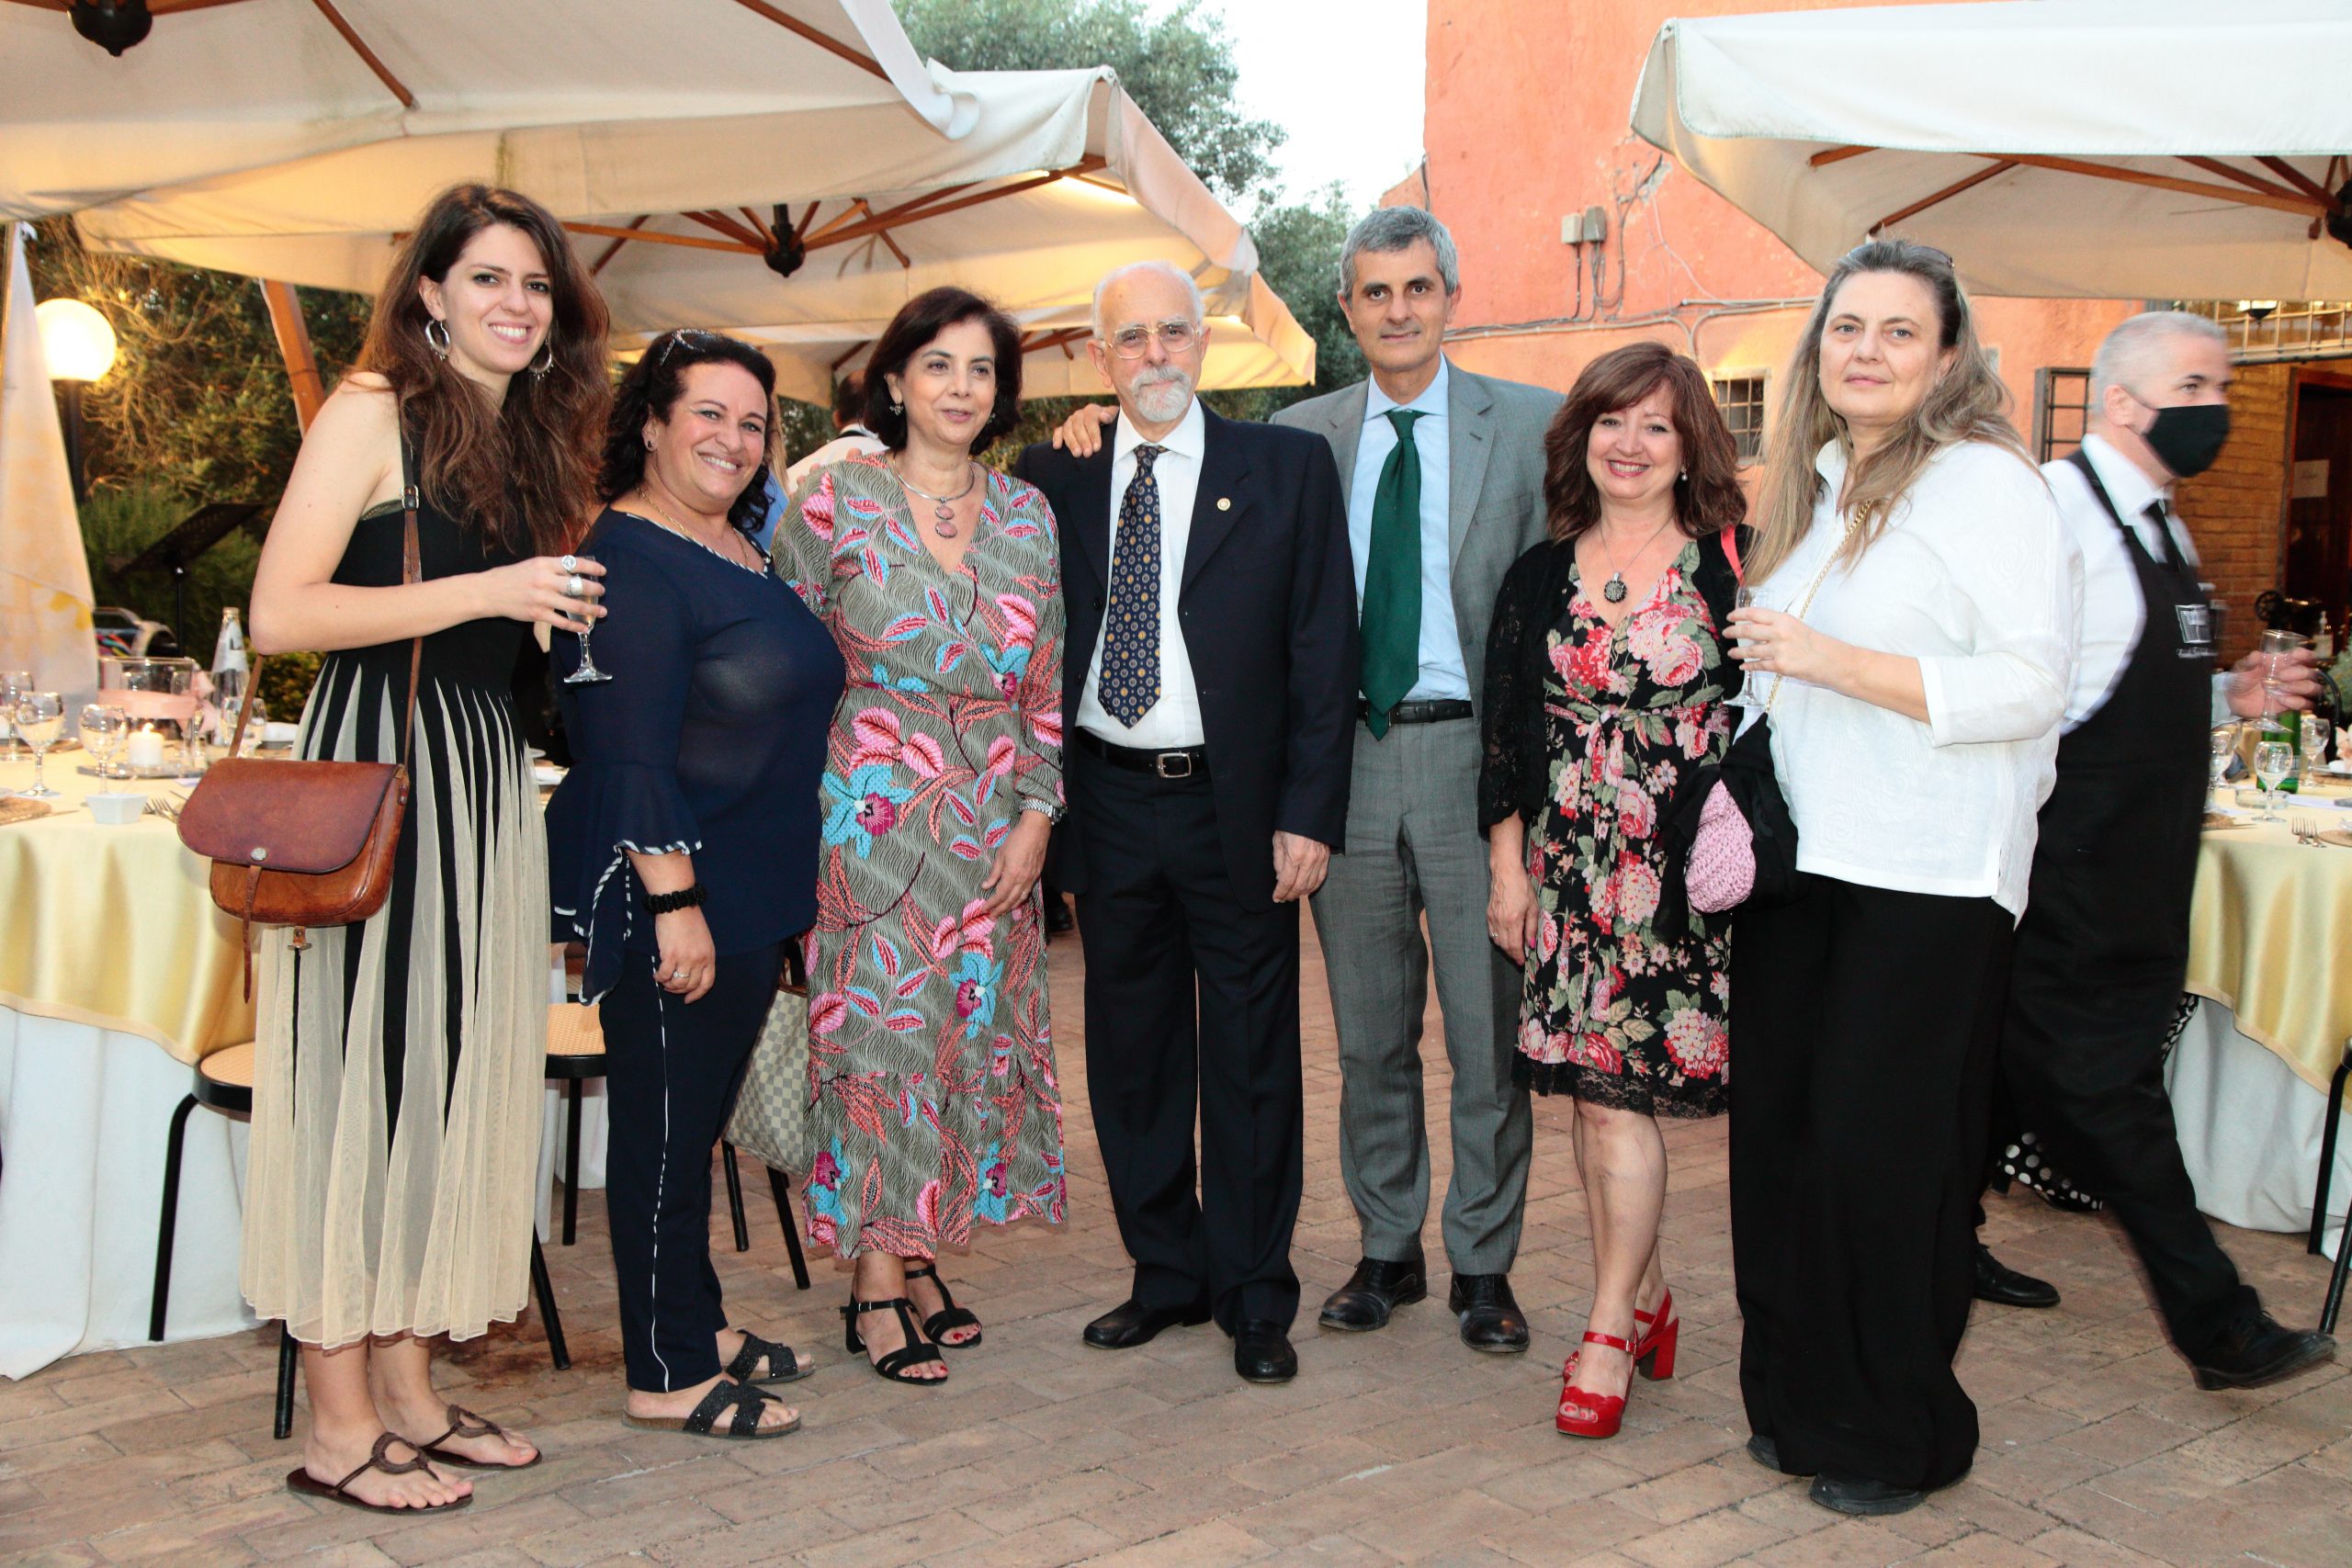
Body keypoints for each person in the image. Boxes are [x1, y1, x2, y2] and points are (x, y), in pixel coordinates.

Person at [244, 183, 611, 1511]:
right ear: (431, 295)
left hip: (475, 771)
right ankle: (336, 1426)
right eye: (489, 278)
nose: (518, 304)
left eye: (537, 285)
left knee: (443, 1074)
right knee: (366, 1074)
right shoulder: (371, 409)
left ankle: (406, 1390)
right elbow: (281, 613)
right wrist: (492, 590)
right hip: (382, 763)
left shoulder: (520, 438)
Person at [1723, 240, 2071, 1517]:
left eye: (1898, 331)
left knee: (1881, 1159)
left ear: (1949, 357)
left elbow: (2034, 684)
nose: (1864, 350)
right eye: (1846, 326)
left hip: (1926, 875)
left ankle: (1899, 1430)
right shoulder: (1818, 484)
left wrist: (1830, 660)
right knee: (1781, 1146)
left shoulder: (1987, 485)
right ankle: (1800, 1403)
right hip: (1800, 868)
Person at [1971, 310, 2335, 1388]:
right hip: (2073, 874)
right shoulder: (2054, 514)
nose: (2215, 408)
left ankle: (1942, 1243)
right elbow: (2019, 697)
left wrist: (2232, 691)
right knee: (2107, 1096)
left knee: (2001, 1072)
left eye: (2219, 387)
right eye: (2194, 388)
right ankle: (2219, 1327)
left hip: (2143, 875)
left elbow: (2117, 684)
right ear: (2122, 402)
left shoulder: (2160, 523)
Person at [1014, 260, 1357, 1385]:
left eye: (1173, 332)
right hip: (1108, 802)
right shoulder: (1053, 475)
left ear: (1204, 342)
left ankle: (1254, 1294)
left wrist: (1308, 812)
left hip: (1237, 808)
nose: (1154, 354)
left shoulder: (1285, 468)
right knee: (1132, 1053)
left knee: (1252, 1057)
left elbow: (1324, 649)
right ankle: (1166, 1272)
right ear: (1097, 356)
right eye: (1130, 338)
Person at [547, 329, 844, 1438]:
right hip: (679, 896)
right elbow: (627, 752)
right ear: (652, 424)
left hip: (748, 894)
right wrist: (675, 907)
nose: (733, 438)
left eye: (753, 422)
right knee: (664, 1139)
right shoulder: (626, 562)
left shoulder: (732, 545)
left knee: (695, 1127)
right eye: (708, 414)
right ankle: (665, 1371)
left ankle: (696, 1322)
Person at [772, 288, 1068, 1386]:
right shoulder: (832, 502)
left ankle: (920, 1244)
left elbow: (1046, 685)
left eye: (981, 369)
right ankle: (874, 1283)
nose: (959, 387)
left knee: (962, 1041)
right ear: (893, 381)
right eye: (937, 364)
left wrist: (1037, 816)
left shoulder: (1028, 514)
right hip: (872, 818)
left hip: (992, 822)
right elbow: (777, 663)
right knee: (881, 1046)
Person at [1276, 208, 1557, 1354]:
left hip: (1476, 767)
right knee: (1368, 1035)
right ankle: (1387, 1246)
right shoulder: (1298, 439)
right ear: (1346, 308)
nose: (1398, 310)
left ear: (1450, 296)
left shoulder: (1532, 426)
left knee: (1488, 1038)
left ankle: (1483, 1264)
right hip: (1344, 762)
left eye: (1418, 288)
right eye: (1375, 292)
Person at [1481, 343, 1747, 1438]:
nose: (1629, 444)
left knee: (1619, 1098)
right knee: (1595, 1100)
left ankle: (1604, 1333)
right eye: (1610, 421)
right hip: (1567, 873)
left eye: (1656, 425)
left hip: (1679, 878)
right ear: (1579, 436)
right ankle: (1643, 1298)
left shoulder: (1733, 565)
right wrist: (1508, 871)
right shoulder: (1539, 573)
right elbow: (1505, 736)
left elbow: (1773, 724)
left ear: (1689, 448)